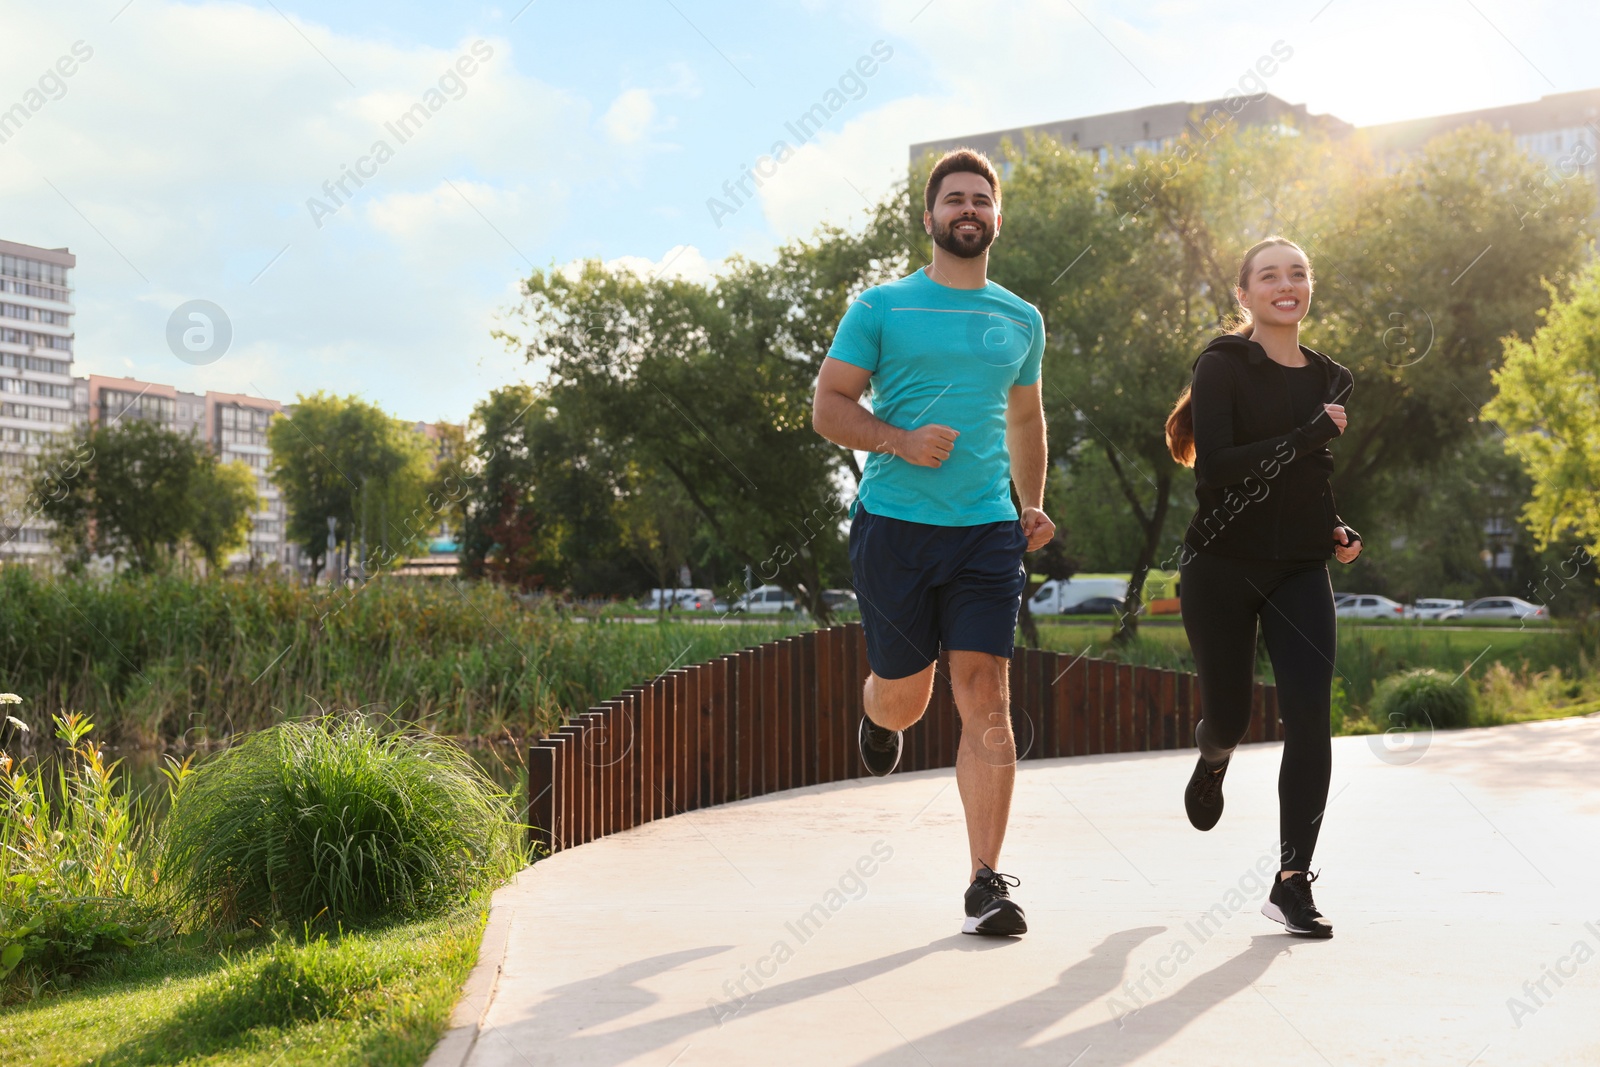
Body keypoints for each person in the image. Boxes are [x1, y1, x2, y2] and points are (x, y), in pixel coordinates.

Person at [812, 148, 1054, 937]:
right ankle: (879, 720)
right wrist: (898, 440)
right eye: (954, 198)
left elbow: (1024, 418)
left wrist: (1033, 502)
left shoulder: (1021, 318)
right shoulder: (882, 307)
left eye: (981, 198)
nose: (968, 208)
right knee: (907, 693)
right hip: (896, 529)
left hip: (986, 532)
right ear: (929, 217)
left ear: (996, 216)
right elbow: (830, 407)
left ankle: (986, 879)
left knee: (986, 692)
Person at [1165, 235, 1363, 939]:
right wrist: (1309, 435)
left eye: (1299, 273)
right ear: (1244, 295)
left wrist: (1335, 526)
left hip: (1300, 569)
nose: (1288, 284)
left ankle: (1292, 881)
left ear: (1310, 289)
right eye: (1270, 275)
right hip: (1220, 566)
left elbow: (1308, 478)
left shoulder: (1329, 377)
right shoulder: (1222, 364)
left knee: (1310, 716)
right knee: (1231, 714)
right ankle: (1213, 754)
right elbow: (1218, 467)